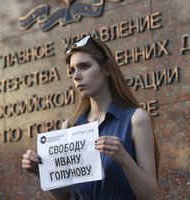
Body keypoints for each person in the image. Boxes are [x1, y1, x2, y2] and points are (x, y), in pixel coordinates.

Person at [22, 35, 159, 200]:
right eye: (72, 70)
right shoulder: (69, 126)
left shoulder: (136, 119)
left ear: (107, 69)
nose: (76, 76)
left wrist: (124, 159)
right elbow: (68, 196)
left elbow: (151, 195)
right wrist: (40, 171)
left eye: (84, 66)